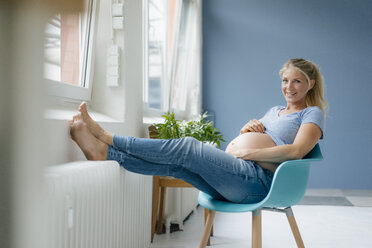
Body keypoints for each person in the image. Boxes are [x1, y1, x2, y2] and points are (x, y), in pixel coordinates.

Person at [69, 58, 328, 204]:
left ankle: (107, 137)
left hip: (258, 183)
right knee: (177, 167)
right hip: (238, 176)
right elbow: (251, 138)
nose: (289, 87)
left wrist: (248, 153)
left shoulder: (311, 113)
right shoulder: (275, 110)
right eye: (285, 80)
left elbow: (295, 152)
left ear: (310, 84)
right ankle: (106, 154)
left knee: (187, 147)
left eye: (297, 81)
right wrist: (246, 130)